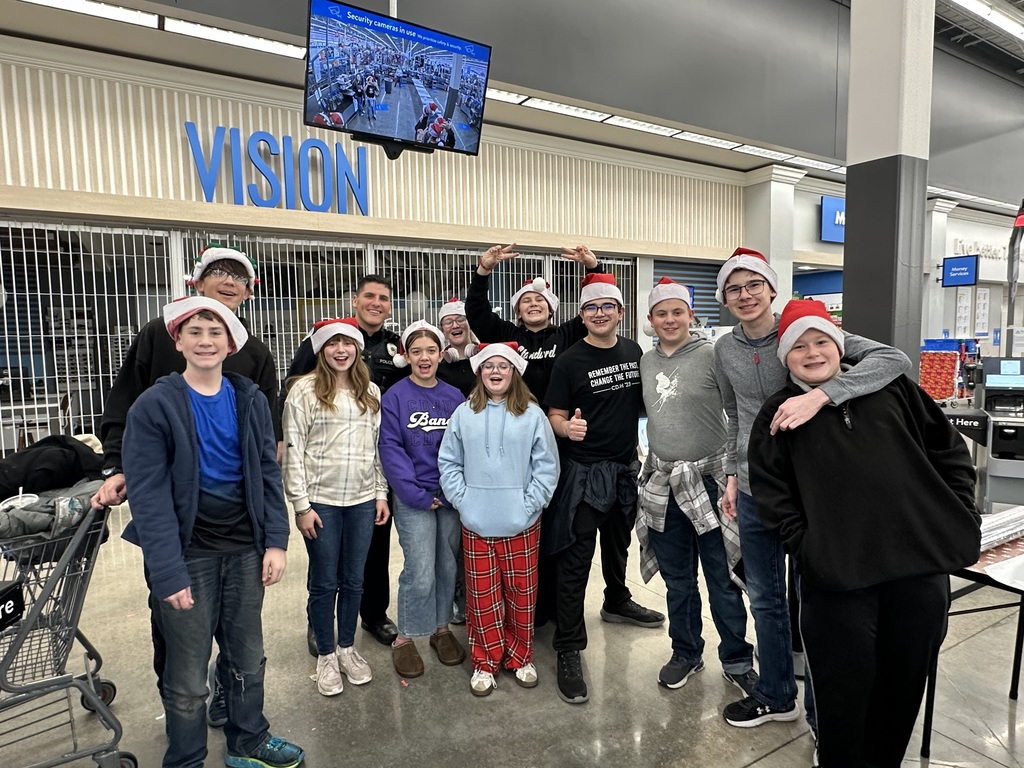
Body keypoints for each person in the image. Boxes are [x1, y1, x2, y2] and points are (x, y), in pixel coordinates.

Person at [748, 299, 981, 768]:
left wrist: (959, 510)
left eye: (821, 342)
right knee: (842, 702)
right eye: (799, 347)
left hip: (917, 573)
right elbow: (772, 495)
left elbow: (949, 451)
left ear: (839, 346)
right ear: (785, 358)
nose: (812, 354)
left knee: (902, 690)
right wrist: (809, 548)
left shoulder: (894, 389)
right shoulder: (779, 413)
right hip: (838, 584)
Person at [713, 247, 911, 728]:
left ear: (772, 288)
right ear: (723, 298)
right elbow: (736, 415)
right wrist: (733, 475)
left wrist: (824, 394)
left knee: (820, 605)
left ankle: (826, 715)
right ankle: (776, 693)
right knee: (764, 598)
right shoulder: (723, 350)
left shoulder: (804, 330)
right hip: (758, 488)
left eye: (754, 284)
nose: (745, 295)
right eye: (734, 288)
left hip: (813, 490)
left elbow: (894, 359)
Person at [92, 245, 279, 729]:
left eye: (238, 275)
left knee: (240, 637)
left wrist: (273, 531)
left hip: (239, 532)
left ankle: (227, 705)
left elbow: (265, 450)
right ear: (195, 282)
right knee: (176, 630)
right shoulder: (160, 334)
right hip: (178, 521)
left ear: (249, 291)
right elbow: (124, 402)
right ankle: (182, 708)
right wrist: (117, 465)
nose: (228, 281)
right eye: (217, 272)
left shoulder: (255, 357)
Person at [121, 296, 304, 768]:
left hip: (245, 548)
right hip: (189, 555)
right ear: (178, 340)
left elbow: (266, 471)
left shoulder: (250, 400)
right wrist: (167, 571)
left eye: (215, 332)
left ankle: (248, 739)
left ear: (230, 343)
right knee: (186, 675)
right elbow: (149, 496)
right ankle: (185, 758)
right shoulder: (154, 406)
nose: (205, 341)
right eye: (195, 332)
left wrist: (277, 541)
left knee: (247, 657)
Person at [544, 272, 665, 705]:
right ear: (582, 315)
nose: (599, 313)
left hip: (624, 468)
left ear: (620, 313)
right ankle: (569, 646)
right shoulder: (569, 361)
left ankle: (617, 601)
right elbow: (554, 413)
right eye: (591, 307)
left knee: (618, 545)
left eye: (607, 306)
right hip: (583, 474)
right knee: (575, 560)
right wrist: (565, 428)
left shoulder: (635, 352)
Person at [635, 278, 755, 693]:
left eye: (677, 312)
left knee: (722, 578)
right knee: (678, 580)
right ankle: (686, 651)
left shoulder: (712, 355)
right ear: (650, 320)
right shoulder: (646, 363)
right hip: (663, 483)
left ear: (691, 315)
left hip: (709, 483)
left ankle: (737, 659)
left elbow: (737, 414)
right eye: (661, 313)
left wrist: (735, 473)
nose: (670, 320)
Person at [280, 275, 404, 651]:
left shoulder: (392, 350)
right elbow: (292, 393)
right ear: (355, 300)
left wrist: (384, 487)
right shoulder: (314, 361)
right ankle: (319, 625)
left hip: (369, 481)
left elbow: (387, 419)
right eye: (369, 296)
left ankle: (372, 616)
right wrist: (282, 443)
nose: (376, 303)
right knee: (325, 566)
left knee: (372, 556)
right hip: (324, 486)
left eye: (384, 298)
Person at [438, 342, 559, 696]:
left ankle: (520, 657)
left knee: (522, 594)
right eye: (488, 366)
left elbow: (547, 466)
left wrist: (530, 505)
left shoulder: (533, 415)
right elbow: (449, 462)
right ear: (479, 372)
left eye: (502, 366)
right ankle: (485, 662)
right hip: (476, 522)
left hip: (522, 522)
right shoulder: (464, 414)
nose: (495, 372)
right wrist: (464, 501)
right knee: (482, 598)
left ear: (514, 372)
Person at [282, 317, 390, 697]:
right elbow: (292, 451)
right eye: (332, 343)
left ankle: (347, 647)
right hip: (321, 503)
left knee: (355, 579)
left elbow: (377, 450)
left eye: (348, 343)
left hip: (361, 501)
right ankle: (325, 655)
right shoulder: (304, 391)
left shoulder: (371, 392)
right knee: (325, 581)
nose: (341, 350)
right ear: (321, 349)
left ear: (358, 349)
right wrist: (300, 505)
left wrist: (380, 493)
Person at [378, 321, 466, 679]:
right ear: (406, 356)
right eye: (416, 351)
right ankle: (406, 636)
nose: (424, 357)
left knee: (447, 565)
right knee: (420, 570)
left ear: (441, 355)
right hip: (414, 497)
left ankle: (441, 628)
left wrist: (452, 490)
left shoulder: (454, 397)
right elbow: (390, 448)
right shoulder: (395, 397)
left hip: (450, 497)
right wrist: (415, 494)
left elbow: (464, 446)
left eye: (431, 351)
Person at [435, 297, 478, 396]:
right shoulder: (438, 365)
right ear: (442, 330)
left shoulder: (486, 358)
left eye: (460, 320)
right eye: (448, 322)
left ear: (470, 324)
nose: (455, 325)